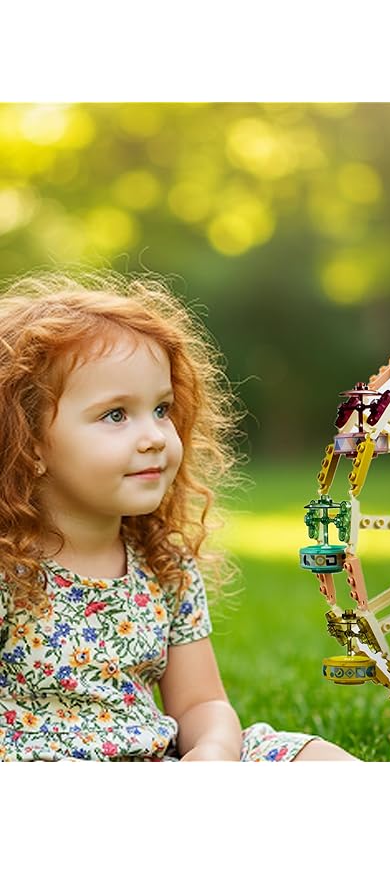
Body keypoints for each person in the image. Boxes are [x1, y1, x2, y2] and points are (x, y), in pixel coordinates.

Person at [0, 269, 357, 762]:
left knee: (312, 758)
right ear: (31, 443)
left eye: (162, 409)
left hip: (159, 761)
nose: (153, 436)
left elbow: (201, 702)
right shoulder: (9, 568)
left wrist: (212, 751)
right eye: (116, 415)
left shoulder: (161, 560)